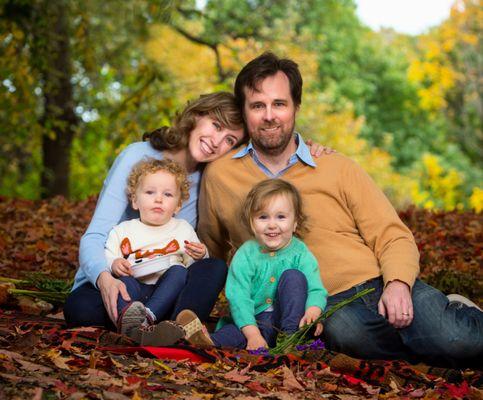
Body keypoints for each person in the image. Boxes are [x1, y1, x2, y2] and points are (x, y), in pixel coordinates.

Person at [197, 52, 483, 368]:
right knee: (354, 340)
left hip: (377, 280)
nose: (269, 115)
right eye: (257, 106)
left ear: (295, 108)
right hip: (323, 303)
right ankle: (432, 344)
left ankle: (456, 314)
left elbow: (392, 234)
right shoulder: (222, 175)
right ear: (245, 111)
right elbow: (210, 250)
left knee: (459, 339)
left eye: (279, 104)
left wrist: (398, 283)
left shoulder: (335, 165)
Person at [64, 91, 327, 335]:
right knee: (81, 309)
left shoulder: (209, 179)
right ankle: (139, 321)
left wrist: (303, 147)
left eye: (229, 140)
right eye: (216, 125)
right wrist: (104, 279)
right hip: (121, 278)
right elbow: (95, 235)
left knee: (213, 268)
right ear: (197, 116)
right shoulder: (137, 157)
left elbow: (268, 187)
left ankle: (175, 329)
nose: (216, 142)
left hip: (169, 284)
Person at [178, 179, 327, 349]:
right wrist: (253, 335)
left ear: (295, 223)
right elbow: (239, 297)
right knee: (233, 334)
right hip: (253, 322)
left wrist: (313, 310)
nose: (272, 225)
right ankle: (207, 341)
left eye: (281, 217)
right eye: (263, 217)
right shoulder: (246, 254)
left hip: (290, 321)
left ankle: (291, 340)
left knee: (294, 276)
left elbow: (315, 288)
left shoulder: (300, 252)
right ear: (252, 222)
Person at [107, 158, 211, 345]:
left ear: (178, 205)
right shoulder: (122, 230)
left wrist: (201, 254)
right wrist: (114, 263)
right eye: (149, 192)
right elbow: (109, 254)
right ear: (135, 201)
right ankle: (130, 323)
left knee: (179, 271)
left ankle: (147, 318)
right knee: (124, 283)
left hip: (167, 292)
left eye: (168, 195)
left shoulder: (182, 228)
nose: (158, 199)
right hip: (136, 284)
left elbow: (195, 268)